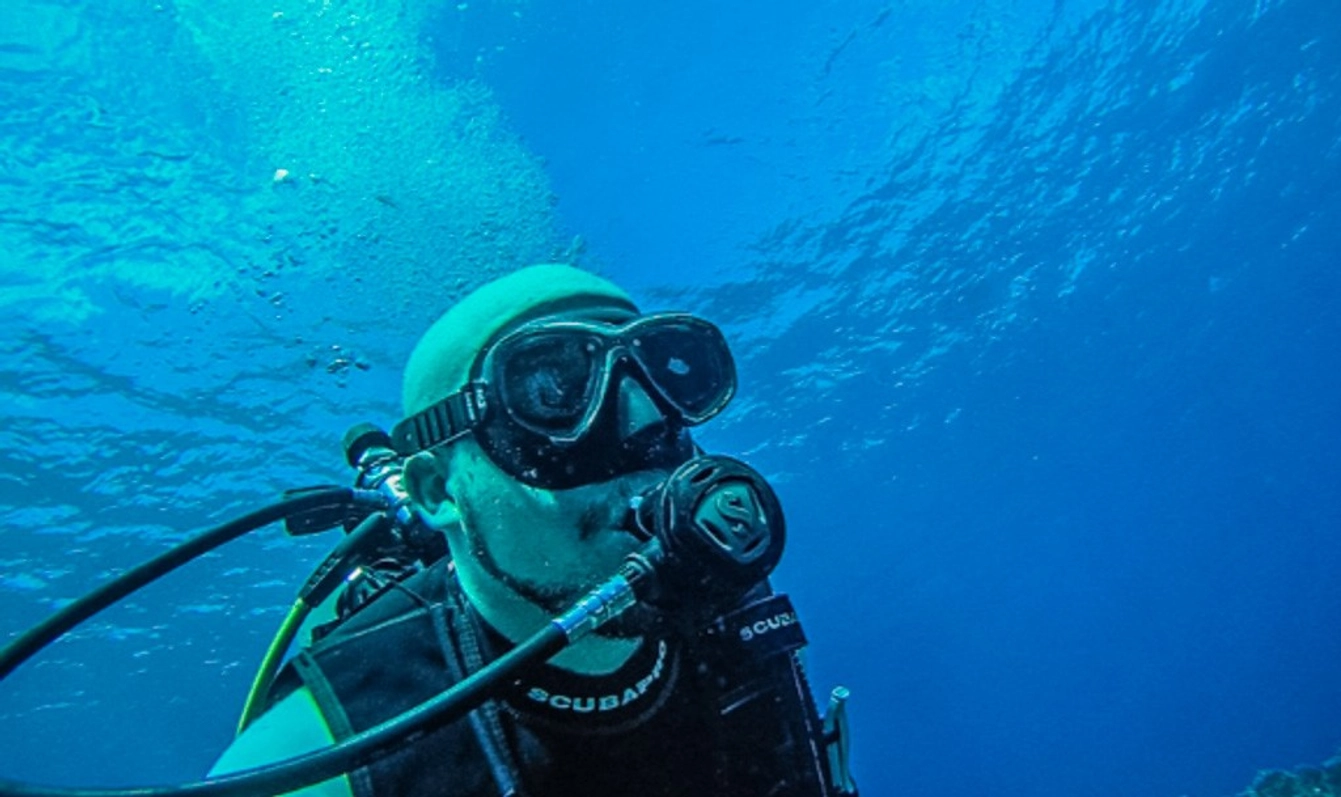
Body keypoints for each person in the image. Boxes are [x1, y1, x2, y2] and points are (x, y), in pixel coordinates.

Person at [211, 264, 857, 796]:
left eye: (661, 372)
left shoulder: (729, 598)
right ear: (439, 489)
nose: (641, 428)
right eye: (552, 390)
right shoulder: (325, 754)